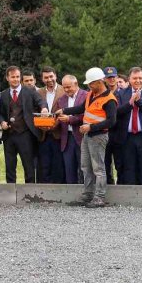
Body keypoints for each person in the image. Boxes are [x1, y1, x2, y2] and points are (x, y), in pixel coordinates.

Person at [57, 68, 118, 208]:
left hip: (99, 136)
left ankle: (99, 197)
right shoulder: (91, 94)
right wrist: (65, 110)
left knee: (98, 168)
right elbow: (81, 108)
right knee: (86, 166)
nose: (89, 86)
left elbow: (111, 121)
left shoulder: (109, 100)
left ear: (99, 82)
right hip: (87, 135)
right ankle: (88, 195)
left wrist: (91, 127)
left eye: (91, 83)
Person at [0, 65, 47, 184]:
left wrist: (44, 109)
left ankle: (29, 193)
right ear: (7, 78)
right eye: (13, 77)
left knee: (28, 166)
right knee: (10, 166)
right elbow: (1, 114)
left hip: (25, 135)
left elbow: (41, 101)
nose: (15, 79)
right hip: (9, 135)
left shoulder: (29, 91)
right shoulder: (4, 94)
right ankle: (10, 192)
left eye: (17, 77)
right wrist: (2, 122)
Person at [115, 67, 142, 185]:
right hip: (127, 137)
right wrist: (130, 104)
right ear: (129, 79)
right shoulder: (121, 93)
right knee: (129, 168)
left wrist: (139, 102)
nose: (138, 81)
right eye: (135, 78)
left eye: (140, 78)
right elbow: (117, 111)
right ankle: (131, 198)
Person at [55, 75, 87, 185]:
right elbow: (58, 118)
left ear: (76, 84)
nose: (66, 90)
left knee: (84, 169)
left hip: (82, 138)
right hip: (66, 139)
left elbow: (87, 116)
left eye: (69, 87)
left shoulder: (86, 96)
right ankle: (71, 197)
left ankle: (86, 195)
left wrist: (70, 119)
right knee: (69, 169)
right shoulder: (61, 99)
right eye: (64, 87)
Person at [36, 66, 65, 184]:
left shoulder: (64, 90)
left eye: (51, 76)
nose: (49, 79)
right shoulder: (38, 92)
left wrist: (55, 123)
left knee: (58, 165)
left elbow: (66, 109)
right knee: (44, 165)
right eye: (46, 77)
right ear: (42, 79)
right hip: (43, 134)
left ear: (56, 76)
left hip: (59, 134)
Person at [102, 66, 123, 185]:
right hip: (105, 131)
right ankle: (108, 186)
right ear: (104, 79)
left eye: (113, 77)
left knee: (120, 163)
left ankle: (120, 187)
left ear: (117, 77)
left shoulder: (123, 92)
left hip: (119, 131)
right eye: (109, 78)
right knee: (105, 163)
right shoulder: (101, 93)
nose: (111, 80)